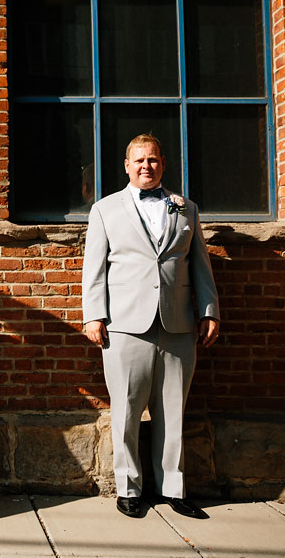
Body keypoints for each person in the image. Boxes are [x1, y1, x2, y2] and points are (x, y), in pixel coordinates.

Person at [81, 133, 220, 519]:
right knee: (125, 410)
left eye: (154, 159)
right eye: (139, 160)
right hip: (125, 324)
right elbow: (93, 268)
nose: (147, 166)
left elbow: (200, 266)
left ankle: (173, 489)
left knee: (173, 410)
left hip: (177, 324)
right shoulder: (105, 210)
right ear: (127, 166)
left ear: (163, 164)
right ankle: (129, 489)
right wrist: (94, 314)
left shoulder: (186, 208)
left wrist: (209, 311)